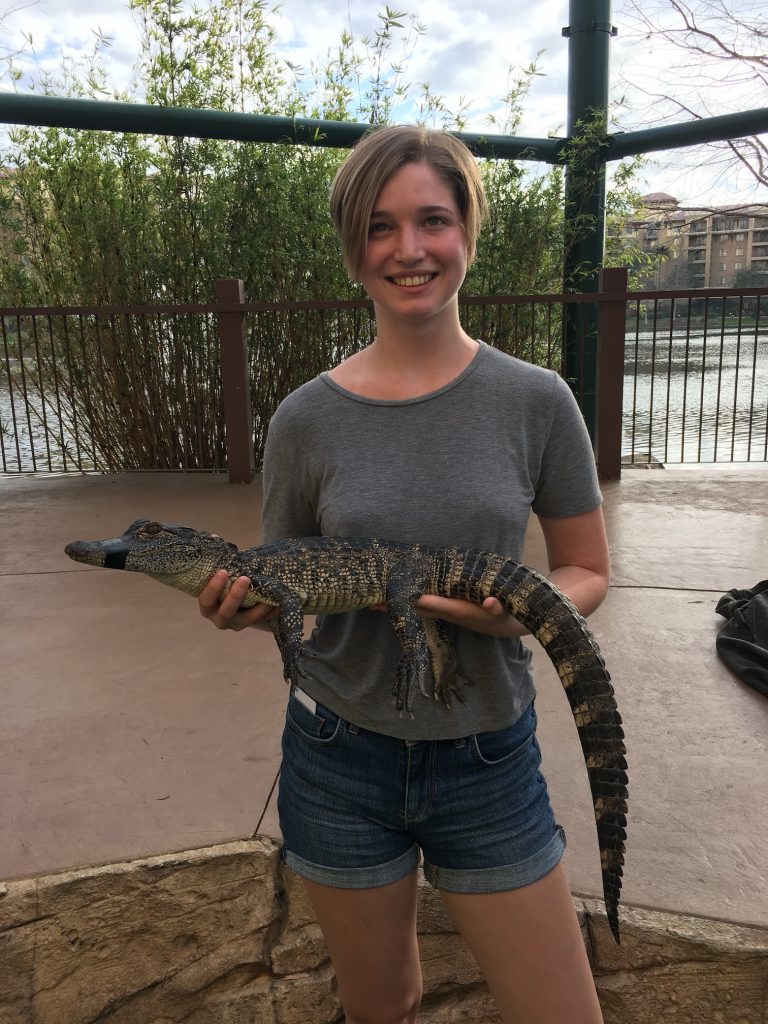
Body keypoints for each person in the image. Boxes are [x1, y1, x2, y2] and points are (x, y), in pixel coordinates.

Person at [198, 124, 610, 1024]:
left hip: (486, 754)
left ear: (466, 231)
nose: (410, 249)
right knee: (382, 1008)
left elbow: (583, 570)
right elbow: (292, 586)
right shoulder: (306, 418)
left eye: (432, 219)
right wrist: (246, 608)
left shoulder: (538, 400)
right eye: (381, 227)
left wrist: (521, 616)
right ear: (355, 250)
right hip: (337, 756)